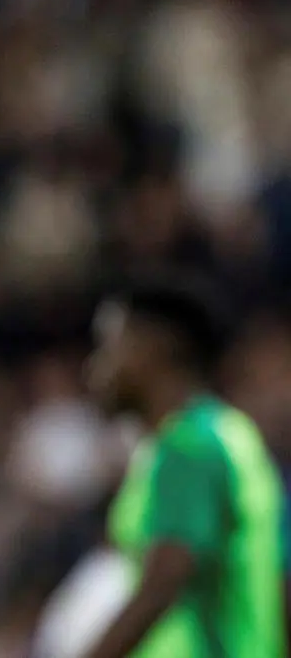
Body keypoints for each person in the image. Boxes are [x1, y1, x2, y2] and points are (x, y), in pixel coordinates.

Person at [84, 276, 287, 658]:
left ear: (156, 347)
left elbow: (164, 580)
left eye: (110, 346)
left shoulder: (188, 448)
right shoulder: (231, 434)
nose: (95, 366)